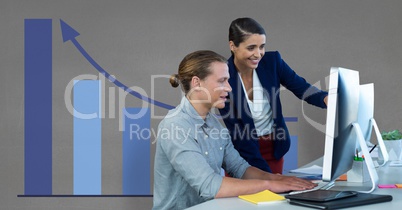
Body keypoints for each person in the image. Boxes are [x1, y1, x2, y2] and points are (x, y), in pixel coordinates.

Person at [153, 50, 316, 210]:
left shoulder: (212, 123)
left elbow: (240, 168)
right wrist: (270, 185)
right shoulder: (175, 126)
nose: (229, 88)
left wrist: (278, 179)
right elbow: (211, 186)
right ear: (197, 83)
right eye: (222, 81)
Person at [219, 17, 328, 174]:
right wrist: (267, 177)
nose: (258, 54)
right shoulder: (223, 75)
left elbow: (301, 87)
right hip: (242, 153)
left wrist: (325, 99)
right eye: (251, 48)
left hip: (274, 148)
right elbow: (237, 132)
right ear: (232, 45)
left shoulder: (272, 62)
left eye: (261, 47)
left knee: (274, 197)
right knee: (246, 197)